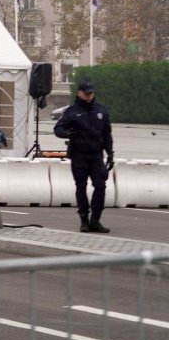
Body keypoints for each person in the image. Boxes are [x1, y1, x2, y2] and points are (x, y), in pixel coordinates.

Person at [53, 80, 114, 233]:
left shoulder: (101, 110)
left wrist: (110, 154)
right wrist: (67, 133)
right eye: (86, 93)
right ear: (79, 93)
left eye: (91, 93)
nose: (89, 96)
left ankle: (95, 220)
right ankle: (84, 221)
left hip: (96, 156)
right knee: (81, 187)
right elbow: (58, 128)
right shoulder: (72, 111)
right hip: (79, 155)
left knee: (100, 187)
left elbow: (107, 134)